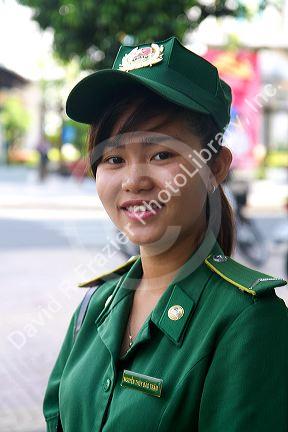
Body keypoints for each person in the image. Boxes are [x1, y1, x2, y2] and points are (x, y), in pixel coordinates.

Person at [42, 36, 288, 432]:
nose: (133, 180)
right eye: (114, 158)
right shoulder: (94, 306)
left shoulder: (248, 323)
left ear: (216, 167)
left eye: (161, 154)